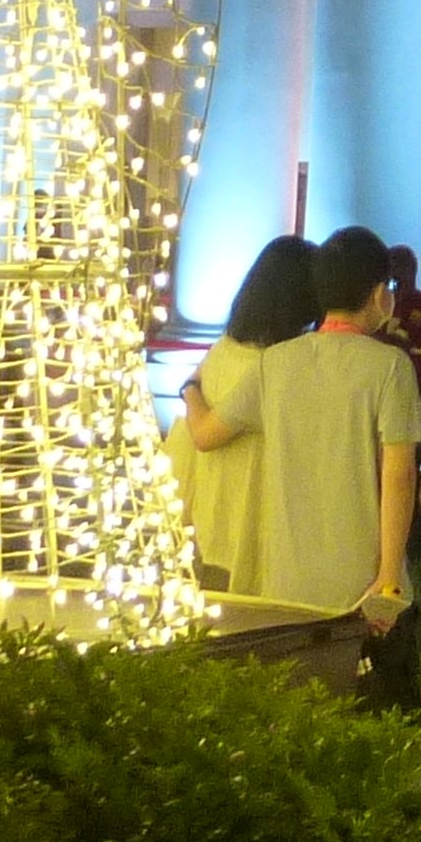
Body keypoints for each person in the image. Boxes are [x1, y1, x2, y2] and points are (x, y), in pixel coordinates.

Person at [237, 225, 421, 673]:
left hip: (285, 581)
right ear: (381, 294)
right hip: (360, 587)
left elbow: (209, 432)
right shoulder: (389, 366)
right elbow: (398, 476)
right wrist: (390, 579)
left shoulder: (274, 362)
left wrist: (191, 389)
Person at [166, 233, 319, 594]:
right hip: (252, 524)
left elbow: (196, 410)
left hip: (211, 514)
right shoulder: (273, 368)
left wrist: (188, 390)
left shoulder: (223, 349)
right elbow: (206, 435)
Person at [383, 243, 421, 382]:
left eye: (398, 277)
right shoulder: (384, 301)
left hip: (416, 377)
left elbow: (412, 341)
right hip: (387, 375)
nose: (394, 285)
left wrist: (392, 334)